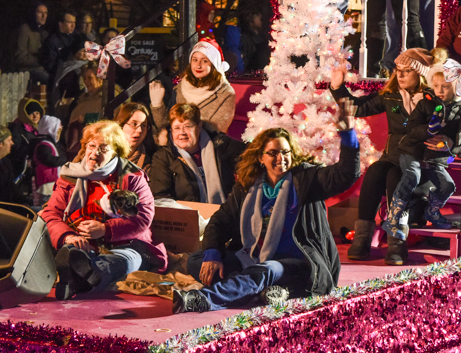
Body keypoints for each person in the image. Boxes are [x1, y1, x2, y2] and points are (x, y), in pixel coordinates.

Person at [173, 100, 360, 313]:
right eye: (273, 153)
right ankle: (271, 292)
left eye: (286, 152)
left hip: (298, 263)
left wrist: (348, 135)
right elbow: (219, 221)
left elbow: (346, 174)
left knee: (266, 269)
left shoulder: (306, 180)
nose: (281, 158)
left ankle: (204, 299)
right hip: (253, 257)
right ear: (261, 157)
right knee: (198, 260)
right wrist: (213, 254)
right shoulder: (247, 186)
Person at [329, 47, 445, 265]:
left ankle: (397, 242)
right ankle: (362, 239)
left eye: (406, 71)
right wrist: (337, 87)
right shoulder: (391, 95)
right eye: (397, 70)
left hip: (422, 164)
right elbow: (357, 108)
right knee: (374, 171)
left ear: (420, 74)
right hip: (394, 158)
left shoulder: (433, 100)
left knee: (395, 176)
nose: (399, 75)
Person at [40, 120, 166, 300]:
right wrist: (69, 236)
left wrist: (105, 230)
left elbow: (143, 217)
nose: (95, 152)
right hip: (80, 243)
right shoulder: (70, 176)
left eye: (103, 148)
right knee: (72, 251)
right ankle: (81, 273)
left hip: (125, 246)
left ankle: (78, 277)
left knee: (124, 262)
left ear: (116, 151)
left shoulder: (133, 177)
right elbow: (51, 213)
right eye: (92, 146)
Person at [388, 62, 461, 234]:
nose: (440, 90)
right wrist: (428, 130)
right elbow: (410, 128)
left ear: (456, 87)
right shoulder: (426, 103)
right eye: (436, 86)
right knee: (412, 175)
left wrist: (452, 145)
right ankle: (393, 216)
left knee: (448, 185)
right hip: (412, 151)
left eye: (445, 87)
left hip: (435, 157)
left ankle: (432, 212)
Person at [147, 103, 245, 205]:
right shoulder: (163, 157)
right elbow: (160, 197)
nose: (182, 132)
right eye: (176, 128)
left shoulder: (220, 146)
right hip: (186, 217)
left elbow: (249, 162)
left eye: (187, 126)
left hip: (223, 214)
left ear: (199, 126)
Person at [150, 39, 236, 135]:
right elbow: (166, 128)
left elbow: (217, 133)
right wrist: (157, 103)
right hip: (175, 146)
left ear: (214, 65)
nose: (198, 65)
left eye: (204, 61)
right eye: (195, 60)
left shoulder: (225, 93)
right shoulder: (180, 88)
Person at [42, 12, 84, 85]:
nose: (73, 25)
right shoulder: (53, 40)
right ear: (61, 24)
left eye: (74, 22)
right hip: (61, 74)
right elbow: (50, 64)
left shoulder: (78, 36)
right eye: (70, 22)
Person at [12, 2, 49, 84]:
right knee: (51, 79)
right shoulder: (25, 30)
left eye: (45, 13)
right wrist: (40, 60)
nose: (43, 16)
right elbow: (19, 57)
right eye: (40, 12)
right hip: (28, 70)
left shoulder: (44, 33)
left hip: (42, 68)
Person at [32, 115, 66, 203]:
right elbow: (49, 160)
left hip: (52, 183)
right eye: (57, 131)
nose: (59, 135)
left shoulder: (51, 144)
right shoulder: (43, 145)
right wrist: (64, 159)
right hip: (47, 183)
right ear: (51, 130)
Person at [112, 102, 155, 172]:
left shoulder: (153, 160)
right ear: (120, 125)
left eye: (143, 125)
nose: (139, 130)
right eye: (134, 124)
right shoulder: (105, 154)